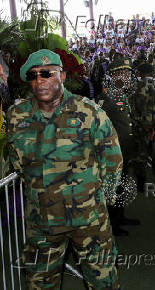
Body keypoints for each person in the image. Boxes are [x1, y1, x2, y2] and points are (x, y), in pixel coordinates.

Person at [7, 49, 122, 288]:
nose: (40, 81)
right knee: (39, 284)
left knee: (103, 283)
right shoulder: (17, 116)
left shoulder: (89, 112)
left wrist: (100, 199)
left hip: (89, 220)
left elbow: (112, 160)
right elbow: (18, 165)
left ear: (62, 75)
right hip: (42, 223)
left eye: (48, 74)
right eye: (34, 75)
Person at [97, 55, 141, 236]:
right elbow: (99, 125)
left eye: (128, 73)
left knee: (122, 183)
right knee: (113, 186)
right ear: (113, 76)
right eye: (122, 73)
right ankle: (112, 224)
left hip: (125, 148)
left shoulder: (122, 94)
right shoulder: (105, 97)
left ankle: (120, 216)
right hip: (113, 151)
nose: (126, 77)